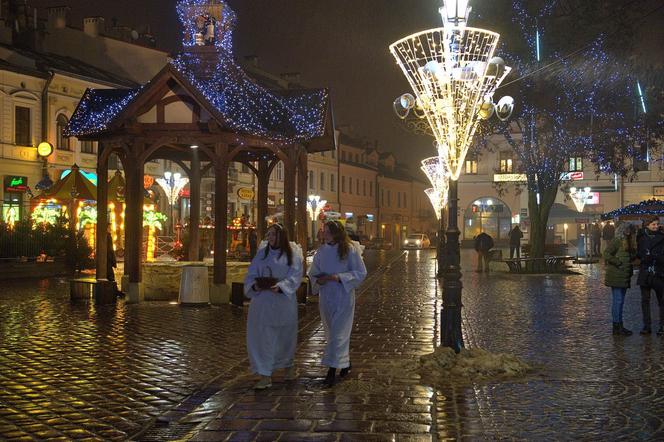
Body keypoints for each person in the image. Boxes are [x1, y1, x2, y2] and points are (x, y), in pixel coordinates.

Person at [243, 223, 303, 389]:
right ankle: (264, 374)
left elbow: (295, 276)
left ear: (281, 236)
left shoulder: (292, 255)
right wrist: (255, 286)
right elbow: (251, 274)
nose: (269, 237)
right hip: (262, 304)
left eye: (273, 234)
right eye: (268, 234)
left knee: (285, 337)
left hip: (282, 303)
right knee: (263, 339)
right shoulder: (262, 254)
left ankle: (288, 366)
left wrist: (281, 286)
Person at [308, 220, 367, 387]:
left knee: (338, 333)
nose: (324, 234)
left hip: (343, 295)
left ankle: (331, 371)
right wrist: (318, 278)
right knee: (331, 332)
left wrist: (339, 277)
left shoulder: (349, 250)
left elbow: (360, 272)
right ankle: (344, 362)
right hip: (326, 295)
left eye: (327, 232)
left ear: (335, 233)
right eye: (324, 231)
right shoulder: (321, 251)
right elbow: (313, 272)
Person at [603, 222, 636, 336]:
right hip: (616, 275)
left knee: (620, 302)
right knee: (618, 301)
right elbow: (606, 253)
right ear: (623, 230)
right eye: (627, 229)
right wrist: (618, 262)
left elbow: (630, 257)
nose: (629, 232)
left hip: (624, 276)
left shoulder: (629, 242)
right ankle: (617, 326)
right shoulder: (617, 241)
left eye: (630, 230)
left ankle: (619, 326)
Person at [636, 215, 664, 336]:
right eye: (653, 224)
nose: (656, 226)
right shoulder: (641, 237)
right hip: (645, 273)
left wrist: (655, 257)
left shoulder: (662, 238)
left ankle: (662, 326)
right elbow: (638, 252)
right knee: (645, 301)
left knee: (662, 301)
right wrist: (642, 256)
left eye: (657, 224)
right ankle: (647, 326)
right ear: (647, 225)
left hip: (659, 273)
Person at [107, 230, 124, 297]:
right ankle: (114, 291)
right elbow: (110, 251)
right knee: (111, 277)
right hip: (108, 261)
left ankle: (114, 291)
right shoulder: (108, 237)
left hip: (107, 261)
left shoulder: (107, 236)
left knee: (110, 276)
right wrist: (114, 262)